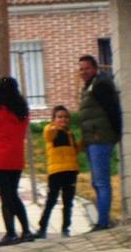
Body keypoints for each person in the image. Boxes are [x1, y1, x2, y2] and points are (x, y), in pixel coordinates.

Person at [0, 76, 33, 247]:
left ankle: (11, 232)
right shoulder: (22, 111)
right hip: (15, 158)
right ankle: (25, 230)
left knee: (6, 196)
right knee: (13, 194)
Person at [77, 54, 122, 231]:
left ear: (95, 68)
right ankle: (103, 219)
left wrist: (115, 133)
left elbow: (112, 109)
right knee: (96, 181)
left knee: (101, 181)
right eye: (81, 69)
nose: (83, 72)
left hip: (100, 139)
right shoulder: (90, 86)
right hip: (92, 139)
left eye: (86, 68)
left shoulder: (101, 85)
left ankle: (103, 222)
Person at [35, 105, 80, 239]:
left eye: (66, 117)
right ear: (53, 119)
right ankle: (42, 228)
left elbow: (74, 151)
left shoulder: (70, 134)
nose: (63, 120)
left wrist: (84, 143)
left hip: (70, 171)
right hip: (56, 172)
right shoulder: (50, 130)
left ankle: (65, 227)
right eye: (59, 117)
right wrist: (54, 127)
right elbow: (48, 135)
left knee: (68, 201)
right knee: (51, 200)